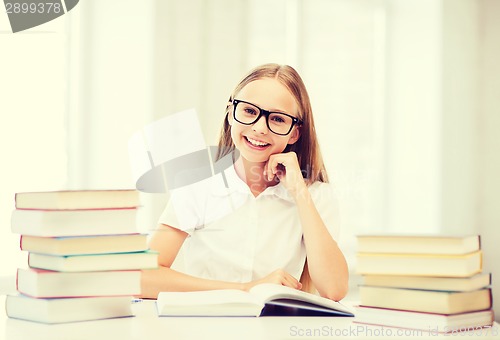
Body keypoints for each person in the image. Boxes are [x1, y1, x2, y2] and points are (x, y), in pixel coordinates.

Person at [141, 63, 348, 301]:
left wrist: (300, 192)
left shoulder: (316, 195)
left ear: (294, 133)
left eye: (278, 119)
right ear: (231, 113)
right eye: (250, 111)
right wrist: (246, 288)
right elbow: (143, 277)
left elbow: (334, 290)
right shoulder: (199, 185)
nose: (260, 128)